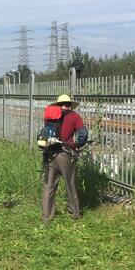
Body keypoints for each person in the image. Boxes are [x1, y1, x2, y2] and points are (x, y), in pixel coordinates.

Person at [41, 94, 84, 224]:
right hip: (66, 155)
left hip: (50, 155)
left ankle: (46, 216)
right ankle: (74, 213)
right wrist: (77, 146)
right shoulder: (74, 117)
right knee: (70, 183)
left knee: (49, 186)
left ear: (58, 105)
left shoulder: (50, 116)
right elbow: (83, 134)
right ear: (70, 105)